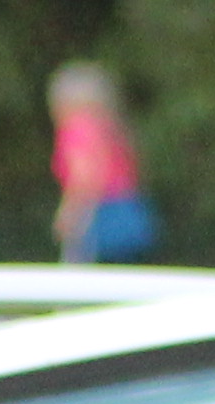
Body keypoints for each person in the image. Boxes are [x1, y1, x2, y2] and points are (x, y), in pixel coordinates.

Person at [49, 64, 157, 265]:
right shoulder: (112, 129)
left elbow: (84, 178)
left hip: (98, 215)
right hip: (128, 210)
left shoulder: (77, 130)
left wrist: (69, 214)